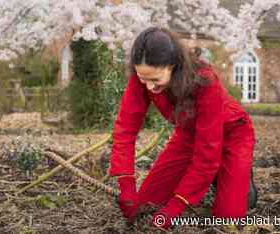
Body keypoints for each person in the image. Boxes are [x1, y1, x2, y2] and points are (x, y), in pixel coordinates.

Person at [108, 27, 257, 230]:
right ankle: (211, 178)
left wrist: (176, 206)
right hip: (189, 134)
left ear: (173, 66)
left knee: (226, 221)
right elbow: (125, 128)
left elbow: (207, 154)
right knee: (146, 204)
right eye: (143, 79)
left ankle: (235, 180)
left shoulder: (205, 81)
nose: (149, 87)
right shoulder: (142, 75)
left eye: (156, 80)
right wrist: (126, 183)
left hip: (232, 133)